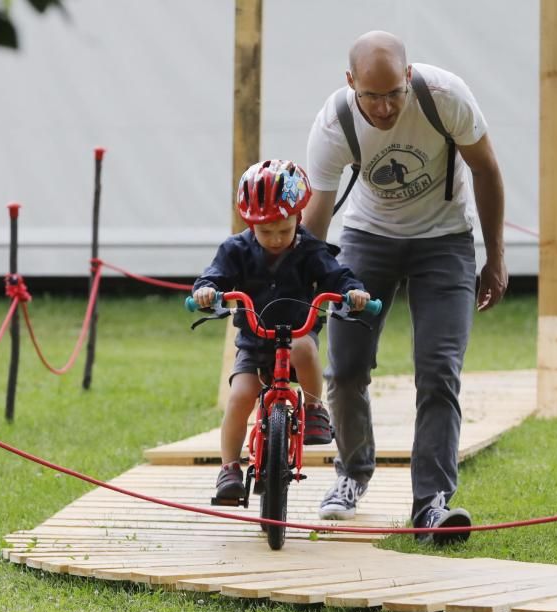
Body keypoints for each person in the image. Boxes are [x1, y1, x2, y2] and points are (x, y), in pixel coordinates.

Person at [301, 31, 507, 544]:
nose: (386, 106)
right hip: (369, 237)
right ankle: (351, 474)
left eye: (395, 92)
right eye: (372, 96)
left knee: (438, 370)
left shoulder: (446, 97)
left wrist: (495, 256)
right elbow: (317, 221)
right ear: (351, 85)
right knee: (345, 367)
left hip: (445, 239)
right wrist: (301, 289)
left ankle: (432, 504)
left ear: (409, 76)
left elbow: (487, 169)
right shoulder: (334, 124)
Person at [193, 160, 371, 500]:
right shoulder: (235, 250)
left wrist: (352, 292)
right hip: (254, 342)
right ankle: (229, 468)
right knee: (240, 397)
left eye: (284, 230)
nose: (275, 239)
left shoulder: (310, 250)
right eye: (265, 231)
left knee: (304, 349)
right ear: (250, 223)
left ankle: (315, 408)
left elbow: (337, 275)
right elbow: (214, 277)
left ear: (299, 219)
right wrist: (206, 292)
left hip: (296, 336)